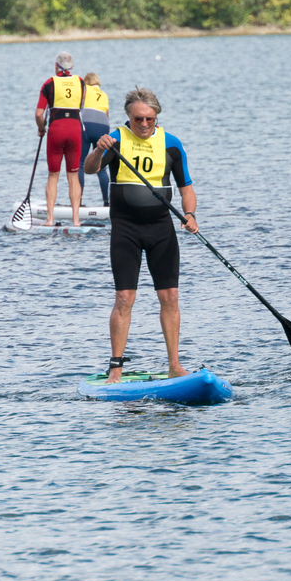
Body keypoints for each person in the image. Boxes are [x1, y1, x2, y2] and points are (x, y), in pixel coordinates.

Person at [83, 87, 199, 383]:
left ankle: (175, 364)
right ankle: (116, 368)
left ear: (156, 116)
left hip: (161, 228)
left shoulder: (171, 144)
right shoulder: (116, 140)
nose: (144, 125)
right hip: (126, 229)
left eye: (149, 119)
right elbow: (89, 168)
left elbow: (186, 187)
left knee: (170, 296)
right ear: (129, 118)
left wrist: (190, 215)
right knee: (124, 297)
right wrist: (98, 149)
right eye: (138, 120)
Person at [35, 51, 84, 227]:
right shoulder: (80, 82)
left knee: (53, 176)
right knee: (73, 176)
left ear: (56, 66)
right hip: (75, 130)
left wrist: (41, 129)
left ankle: (50, 219)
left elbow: (39, 114)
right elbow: (81, 106)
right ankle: (76, 220)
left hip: (56, 130)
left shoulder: (49, 83)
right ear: (71, 67)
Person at [78, 72, 110, 206]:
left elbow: (77, 108)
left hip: (86, 123)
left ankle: (78, 202)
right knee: (101, 167)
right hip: (103, 125)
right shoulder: (104, 94)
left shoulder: (83, 90)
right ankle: (106, 202)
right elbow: (107, 114)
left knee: (79, 165)